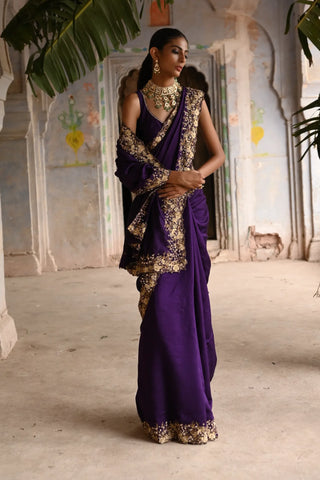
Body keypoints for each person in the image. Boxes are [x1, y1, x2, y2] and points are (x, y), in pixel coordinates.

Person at [115, 28, 225, 445]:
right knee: (162, 318)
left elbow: (218, 156)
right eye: (175, 52)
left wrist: (193, 179)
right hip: (155, 219)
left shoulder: (194, 101)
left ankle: (193, 412)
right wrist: (169, 176)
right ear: (155, 54)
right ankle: (161, 413)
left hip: (190, 215)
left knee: (191, 313)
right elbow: (127, 162)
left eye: (186, 53)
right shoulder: (135, 102)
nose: (182, 60)